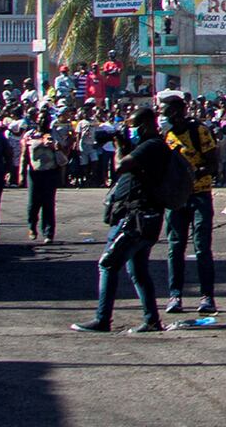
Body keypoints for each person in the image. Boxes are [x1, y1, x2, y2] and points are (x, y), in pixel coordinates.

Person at [71, 105, 169, 334]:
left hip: (137, 217)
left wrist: (117, 147)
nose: (130, 130)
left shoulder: (151, 145)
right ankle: (151, 319)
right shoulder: (152, 146)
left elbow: (120, 166)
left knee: (108, 263)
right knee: (137, 269)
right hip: (144, 216)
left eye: (133, 126)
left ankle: (102, 319)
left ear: (144, 125)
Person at [159, 92, 218, 314]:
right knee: (175, 248)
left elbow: (213, 163)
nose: (162, 116)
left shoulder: (199, 131)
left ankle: (207, 296)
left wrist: (193, 174)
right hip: (176, 199)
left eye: (165, 111)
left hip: (200, 195)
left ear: (175, 112)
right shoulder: (167, 136)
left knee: (202, 248)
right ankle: (175, 296)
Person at [22, 115, 69, 242]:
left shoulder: (54, 136)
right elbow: (24, 155)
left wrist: (55, 147)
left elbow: (64, 154)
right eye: (41, 119)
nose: (43, 122)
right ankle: (32, 227)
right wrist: (21, 174)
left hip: (50, 172)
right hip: (34, 173)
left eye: (46, 120)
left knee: (48, 204)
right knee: (33, 203)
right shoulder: (30, 136)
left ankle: (48, 233)